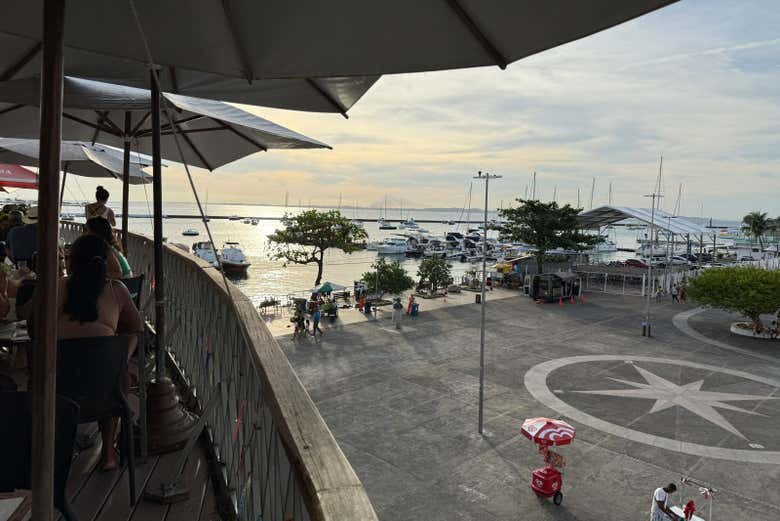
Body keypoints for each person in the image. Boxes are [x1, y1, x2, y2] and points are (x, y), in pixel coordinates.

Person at [57, 235, 143, 470]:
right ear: (106, 261)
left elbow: (35, 330)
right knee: (113, 373)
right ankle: (108, 454)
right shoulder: (116, 290)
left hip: (56, 392)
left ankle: (55, 445)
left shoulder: (55, 288)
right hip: (104, 396)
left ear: (72, 261)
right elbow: (137, 328)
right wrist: (122, 357)